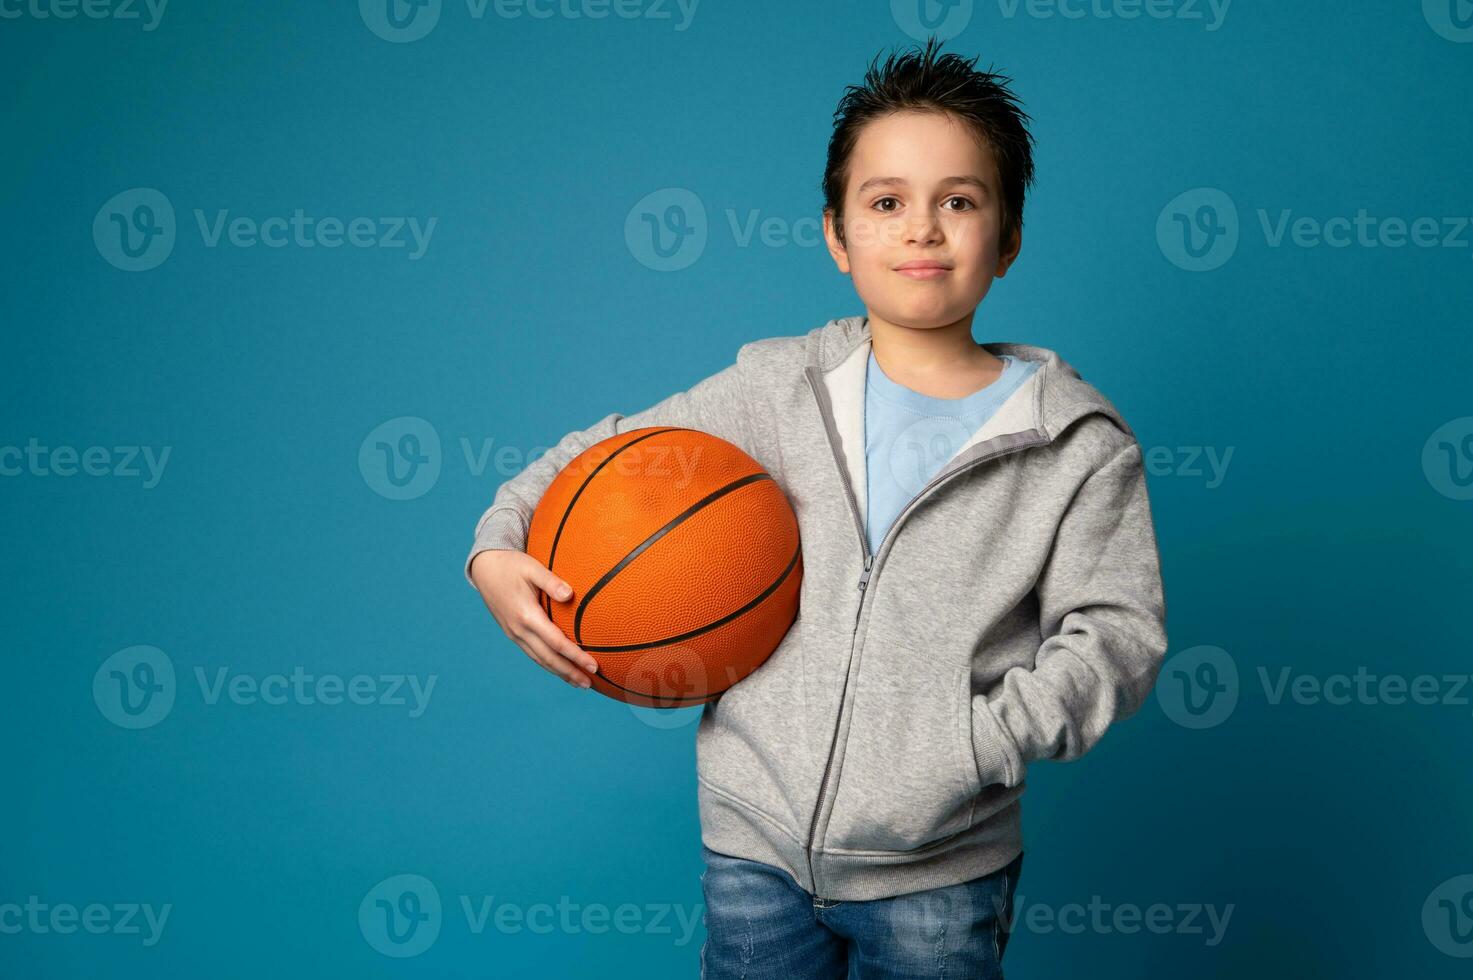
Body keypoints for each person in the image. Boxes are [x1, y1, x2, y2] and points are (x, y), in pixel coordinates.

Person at [464, 36, 1167, 979]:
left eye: (957, 201)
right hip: (752, 846)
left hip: (937, 873)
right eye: (885, 203)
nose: (921, 228)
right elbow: (601, 454)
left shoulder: (1074, 444)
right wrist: (495, 547)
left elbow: (1116, 634)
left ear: (1007, 238)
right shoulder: (780, 386)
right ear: (837, 235)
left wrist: (974, 744)